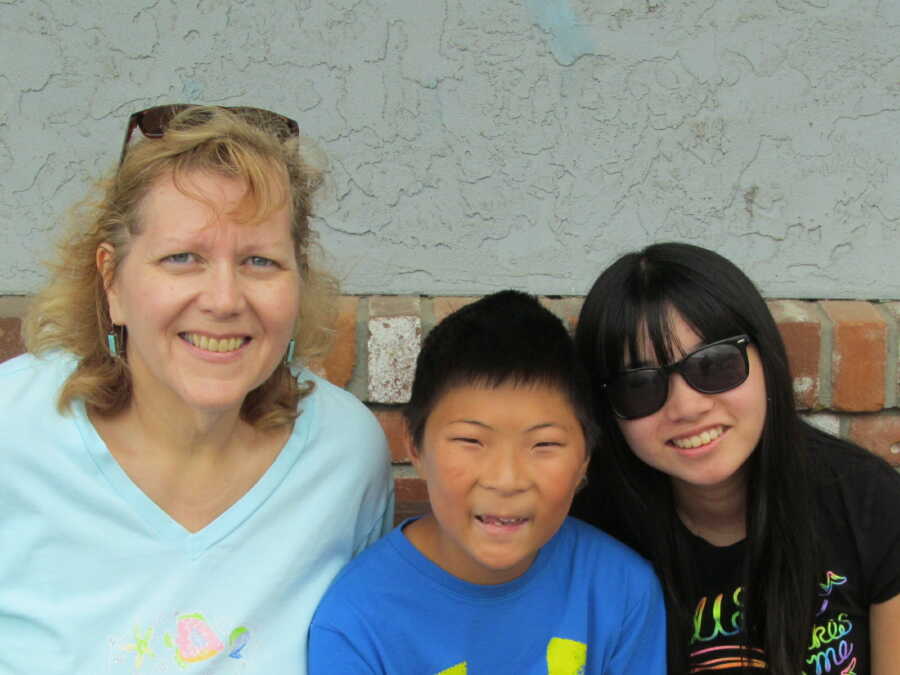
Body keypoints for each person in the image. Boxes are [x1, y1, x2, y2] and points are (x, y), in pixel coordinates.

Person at [0, 105, 393, 674]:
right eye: (182, 258)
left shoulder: (344, 452)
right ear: (112, 280)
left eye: (260, 261)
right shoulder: (13, 428)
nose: (224, 299)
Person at [570, 242, 900, 674]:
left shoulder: (865, 500)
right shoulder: (592, 535)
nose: (686, 408)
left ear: (767, 358)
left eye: (713, 365)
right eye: (640, 385)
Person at [307, 290, 667, 674]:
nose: (506, 479)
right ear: (414, 444)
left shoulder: (620, 591)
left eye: (544, 444)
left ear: (585, 458)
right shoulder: (357, 619)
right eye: (470, 441)